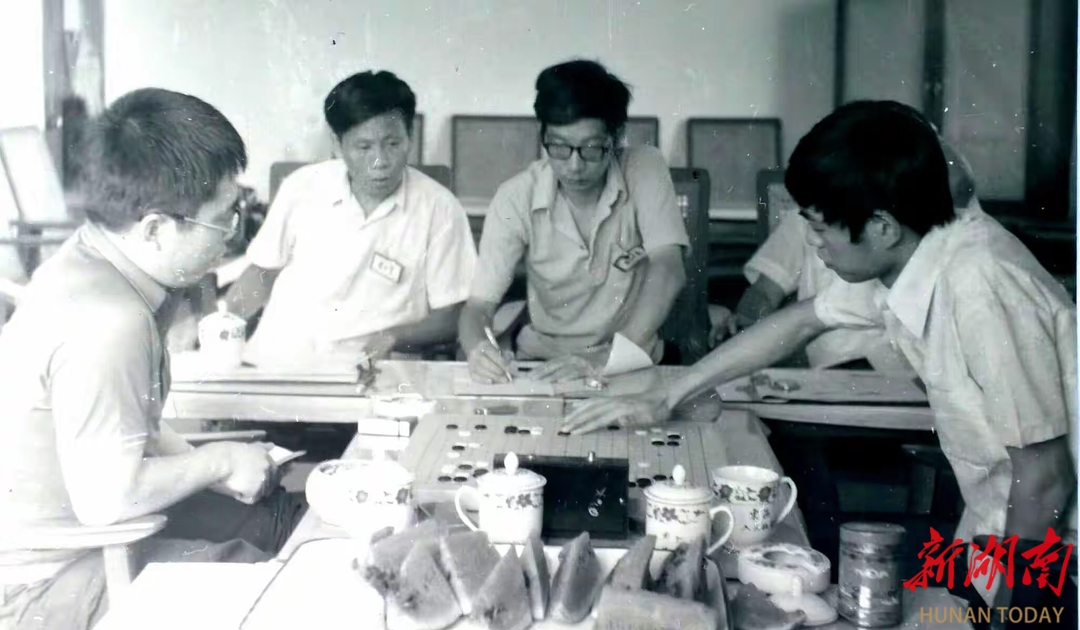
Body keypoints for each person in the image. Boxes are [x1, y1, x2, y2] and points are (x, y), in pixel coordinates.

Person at [563, 100, 1076, 612]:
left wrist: (1011, 615)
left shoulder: (979, 283)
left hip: (1055, 557)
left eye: (821, 228)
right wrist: (669, 394)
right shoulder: (915, 255)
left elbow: (1045, 477)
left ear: (882, 227)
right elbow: (802, 320)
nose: (813, 243)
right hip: (998, 529)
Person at [0, 88, 306, 630]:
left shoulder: (88, 260)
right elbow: (107, 499)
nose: (231, 235)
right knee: (287, 589)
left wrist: (210, 465)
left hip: (84, 536)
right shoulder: (110, 319)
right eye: (224, 219)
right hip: (45, 583)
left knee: (279, 524)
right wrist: (219, 461)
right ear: (155, 229)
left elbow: (125, 427)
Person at [460, 59, 689, 384]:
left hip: (628, 359)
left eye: (592, 149)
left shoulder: (643, 168)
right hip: (544, 364)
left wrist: (608, 356)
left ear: (617, 137)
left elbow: (669, 268)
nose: (574, 166)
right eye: (559, 148)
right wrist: (478, 349)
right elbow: (479, 306)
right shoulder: (515, 197)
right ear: (542, 136)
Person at [225, 71, 477, 365]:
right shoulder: (301, 186)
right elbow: (261, 273)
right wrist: (223, 327)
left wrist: (394, 336)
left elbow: (454, 313)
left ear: (410, 136)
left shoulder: (440, 208)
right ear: (337, 143)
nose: (380, 161)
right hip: (281, 359)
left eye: (393, 144)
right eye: (364, 147)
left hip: (370, 368)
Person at [710, 140, 982, 373]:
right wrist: (748, 321)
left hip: (916, 376)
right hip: (835, 371)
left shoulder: (942, 240)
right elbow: (767, 295)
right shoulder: (807, 222)